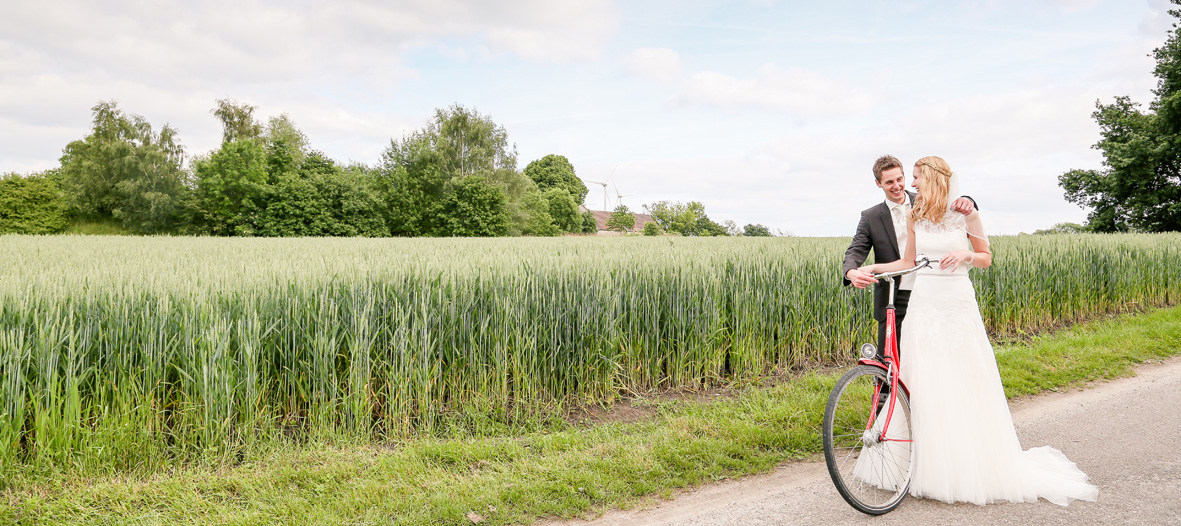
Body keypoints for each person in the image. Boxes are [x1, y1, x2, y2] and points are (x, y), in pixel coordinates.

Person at [858, 156, 1098, 506]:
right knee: (923, 377)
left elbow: (985, 256)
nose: (911, 183)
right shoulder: (915, 215)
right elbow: (907, 263)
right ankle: (915, 463)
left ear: (935, 178)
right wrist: (869, 270)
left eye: (917, 177)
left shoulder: (965, 213)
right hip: (925, 302)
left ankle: (966, 463)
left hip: (956, 302)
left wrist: (964, 255)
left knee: (963, 375)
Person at [842, 155, 975, 358]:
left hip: (932, 289)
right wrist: (851, 271)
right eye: (889, 182)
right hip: (894, 295)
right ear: (878, 183)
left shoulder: (927, 199)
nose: (897, 186)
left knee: (930, 355)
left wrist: (969, 200)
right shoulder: (870, 217)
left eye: (899, 179)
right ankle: (887, 391)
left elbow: (953, 205)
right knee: (890, 359)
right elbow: (856, 249)